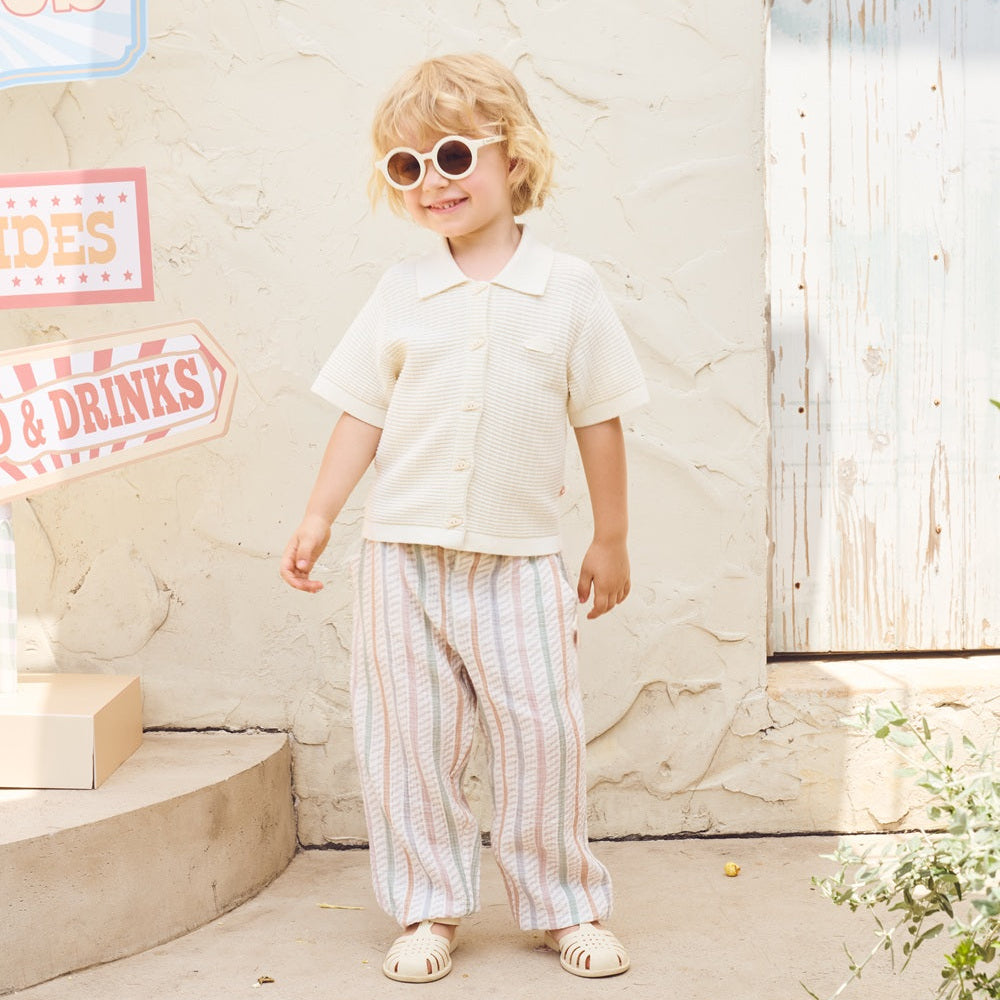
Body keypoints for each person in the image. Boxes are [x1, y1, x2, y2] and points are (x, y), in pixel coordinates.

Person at [281, 52, 647, 984]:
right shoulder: (402, 293)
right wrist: (321, 514)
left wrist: (611, 536)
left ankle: (565, 903)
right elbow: (361, 410)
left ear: (512, 159)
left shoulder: (568, 288)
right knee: (410, 738)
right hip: (401, 555)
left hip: (519, 561)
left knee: (544, 735)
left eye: (451, 156)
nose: (432, 182)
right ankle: (429, 906)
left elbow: (596, 415)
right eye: (407, 168)